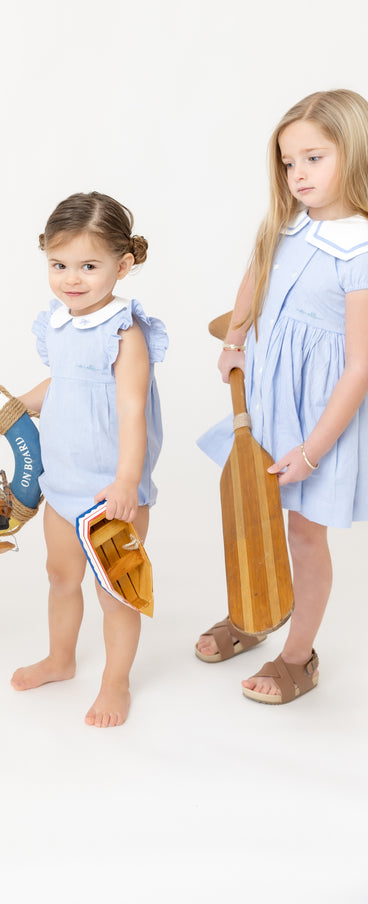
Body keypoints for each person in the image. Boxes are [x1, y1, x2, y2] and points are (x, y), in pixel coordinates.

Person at [195, 89, 368, 703]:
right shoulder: (288, 225)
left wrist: (315, 450)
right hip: (269, 400)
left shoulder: (361, 250)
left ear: (356, 151)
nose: (298, 174)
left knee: (303, 533)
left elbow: (358, 368)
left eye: (315, 158)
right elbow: (254, 276)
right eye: (289, 162)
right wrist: (236, 337)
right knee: (254, 514)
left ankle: (299, 656)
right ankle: (254, 612)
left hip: (319, 418)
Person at [0, 192, 167, 727]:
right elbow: (61, 386)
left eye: (89, 266)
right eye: (59, 265)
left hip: (112, 491)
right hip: (61, 485)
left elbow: (132, 410)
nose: (72, 279)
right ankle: (61, 659)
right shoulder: (60, 322)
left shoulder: (125, 332)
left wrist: (127, 482)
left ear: (122, 265)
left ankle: (115, 682)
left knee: (116, 594)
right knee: (61, 577)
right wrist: (13, 406)